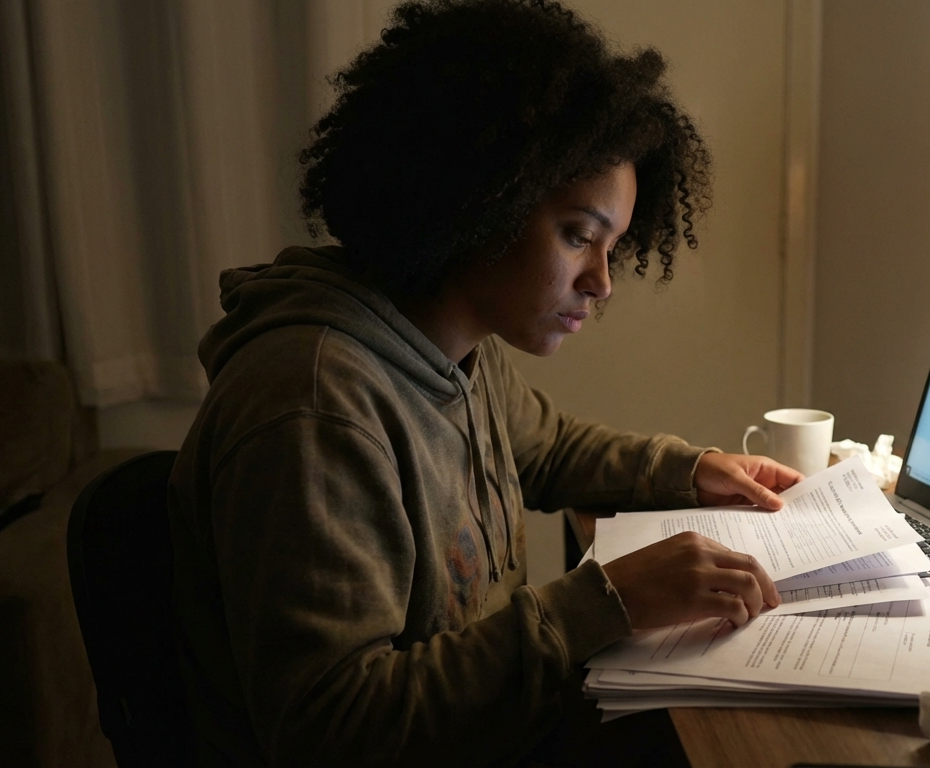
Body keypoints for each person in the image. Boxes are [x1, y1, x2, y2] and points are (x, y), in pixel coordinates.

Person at [167, 0, 803, 765]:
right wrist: (606, 600)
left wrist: (693, 469)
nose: (601, 283)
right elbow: (329, 727)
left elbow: (548, 447)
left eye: (613, 249)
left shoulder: (456, 345)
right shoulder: (317, 404)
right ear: (478, 197)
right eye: (578, 236)